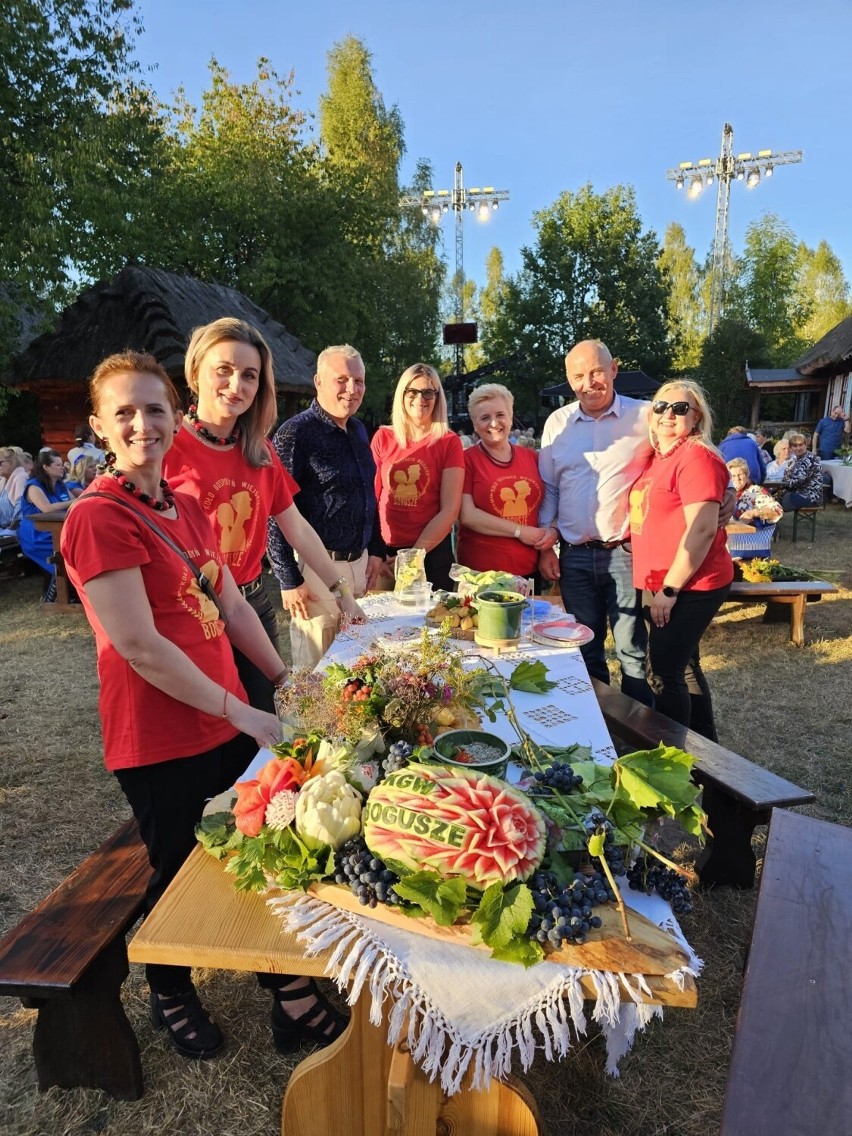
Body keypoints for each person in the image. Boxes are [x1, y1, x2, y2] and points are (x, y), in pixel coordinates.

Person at [61, 351, 347, 1064]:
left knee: (254, 849)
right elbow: (141, 647)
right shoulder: (98, 517)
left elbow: (230, 605)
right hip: (159, 734)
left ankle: (287, 992)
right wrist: (244, 712)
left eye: (153, 409)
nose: (142, 424)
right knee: (179, 868)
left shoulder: (184, 505)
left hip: (222, 715)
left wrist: (281, 679)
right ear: (99, 426)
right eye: (123, 412)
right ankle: (169, 989)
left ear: (172, 413)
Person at [164, 318, 366, 711]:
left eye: (249, 375)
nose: (236, 384)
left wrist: (341, 592)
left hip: (251, 604)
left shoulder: (259, 451)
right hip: (191, 611)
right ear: (195, 371)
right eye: (223, 370)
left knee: (265, 717)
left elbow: (297, 528)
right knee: (212, 722)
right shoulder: (168, 449)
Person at [538, 341, 655, 704]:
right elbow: (550, 489)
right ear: (569, 380)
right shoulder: (557, 423)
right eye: (578, 375)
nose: (588, 382)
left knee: (631, 652)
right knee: (585, 651)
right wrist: (546, 546)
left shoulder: (646, 417)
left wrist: (724, 490)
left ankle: (641, 742)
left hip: (623, 552)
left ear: (614, 369)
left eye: (596, 371)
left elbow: (681, 457)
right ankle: (595, 733)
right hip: (573, 556)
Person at [268, 344, 384, 671]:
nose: (352, 388)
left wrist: (375, 549)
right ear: (318, 381)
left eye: (359, 381)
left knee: (357, 668)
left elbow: (367, 493)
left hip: (358, 565)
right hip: (315, 571)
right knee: (318, 672)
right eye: (342, 379)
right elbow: (276, 507)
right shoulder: (296, 433)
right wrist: (288, 579)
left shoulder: (360, 430)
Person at [628, 381, 733, 739]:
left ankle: (671, 754)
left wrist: (671, 589)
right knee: (684, 666)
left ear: (697, 415)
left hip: (688, 583)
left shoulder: (696, 457)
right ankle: (706, 750)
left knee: (663, 671)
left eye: (679, 408)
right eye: (660, 407)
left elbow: (702, 530)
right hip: (657, 579)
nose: (668, 415)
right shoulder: (662, 456)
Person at [370, 363, 464, 592]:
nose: (420, 398)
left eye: (428, 392)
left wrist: (414, 556)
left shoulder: (449, 442)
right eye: (412, 391)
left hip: (431, 554)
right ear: (402, 395)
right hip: (385, 554)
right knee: (382, 624)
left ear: (437, 397)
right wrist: (374, 549)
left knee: (435, 626)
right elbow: (370, 499)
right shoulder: (383, 437)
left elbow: (450, 509)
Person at [456, 383, 556, 589]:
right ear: (475, 425)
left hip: (530, 570)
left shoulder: (532, 457)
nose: (494, 423)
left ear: (511, 417)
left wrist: (546, 549)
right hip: (482, 575)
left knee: (529, 621)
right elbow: (468, 515)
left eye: (500, 414)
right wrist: (520, 531)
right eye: (484, 418)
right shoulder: (465, 460)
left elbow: (547, 506)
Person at [19, 448, 73, 599]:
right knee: (66, 554)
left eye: (62, 464)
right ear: (46, 467)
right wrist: (74, 501)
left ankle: (68, 592)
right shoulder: (34, 486)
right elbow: (46, 508)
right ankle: (60, 595)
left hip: (58, 530)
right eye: (57, 465)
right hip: (37, 534)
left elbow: (73, 504)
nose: (62, 467)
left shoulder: (61, 485)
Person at [727, 457, 783, 559]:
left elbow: (778, 511)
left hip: (748, 547)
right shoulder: (726, 493)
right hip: (727, 545)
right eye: (733, 476)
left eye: (740, 474)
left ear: (747, 475)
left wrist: (754, 512)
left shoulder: (755, 491)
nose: (736, 479)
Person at [780, 433, 823, 510]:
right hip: (796, 493)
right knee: (772, 499)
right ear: (791, 448)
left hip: (810, 496)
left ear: (806, 445)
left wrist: (786, 483)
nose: (798, 448)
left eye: (800, 445)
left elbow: (799, 480)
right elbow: (786, 477)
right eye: (795, 446)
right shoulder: (792, 461)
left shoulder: (811, 459)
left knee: (783, 499)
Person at [0, 447, 28, 528]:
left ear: (12, 462)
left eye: (0, 463)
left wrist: (10, 530)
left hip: (15, 529)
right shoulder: (3, 480)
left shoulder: (20, 477)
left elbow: (21, 506)